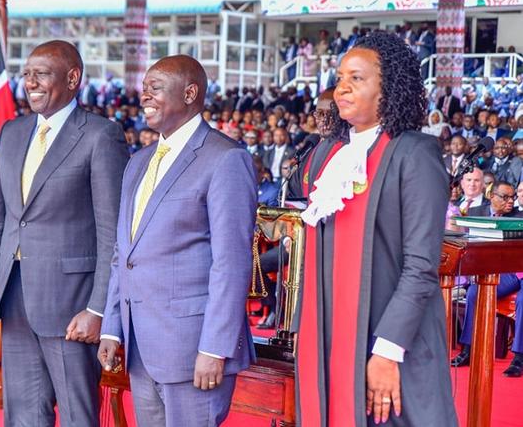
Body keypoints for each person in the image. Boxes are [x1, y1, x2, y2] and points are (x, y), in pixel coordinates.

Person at [293, 31, 457, 426]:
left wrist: (386, 351)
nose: (342, 88)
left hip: (391, 342)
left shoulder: (414, 153)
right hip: (329, 342)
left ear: (388, 89)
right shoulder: (326, 155)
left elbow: (421, 266)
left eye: (357, 78)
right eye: (339, 79)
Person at [0, 40, 128, 427]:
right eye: (26, 74)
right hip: (14, 298)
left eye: (41, 73)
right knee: (22, 415)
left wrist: (98, 310)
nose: (30, 83)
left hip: (72, 307)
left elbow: (113, 232)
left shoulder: (100, 135)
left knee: (78, 416)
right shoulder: (11, 132)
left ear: (73, 78)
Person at [98, 54, 256, 427]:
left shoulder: (225, 158)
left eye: (155, 87)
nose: (145, 96)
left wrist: (214, 347)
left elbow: (231, 262)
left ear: (190, 93)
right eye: (144, 88)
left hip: (194, 348)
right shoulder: (138, 162)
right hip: (141, 347)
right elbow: (126, 253)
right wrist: (112, 326)